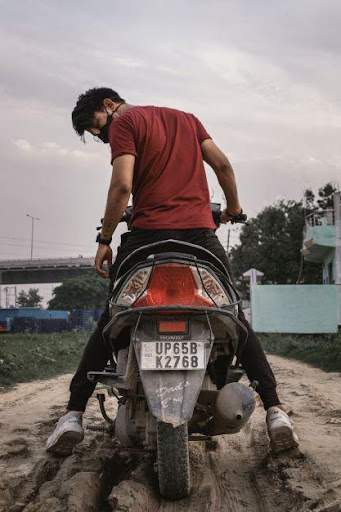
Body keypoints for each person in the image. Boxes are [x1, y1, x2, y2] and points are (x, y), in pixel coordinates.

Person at [46, 87, 298, 455]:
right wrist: (233, 207)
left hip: (147, 236)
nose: (101, 137)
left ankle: (72, 414)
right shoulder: (187, 119)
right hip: (200, 237)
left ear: (108, 105)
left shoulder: (125, 122)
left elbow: (122, 184)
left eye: (96, 127)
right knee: (233, 314)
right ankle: (275, 410)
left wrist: (105, 237)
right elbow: (223, 165)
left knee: (113, 316)